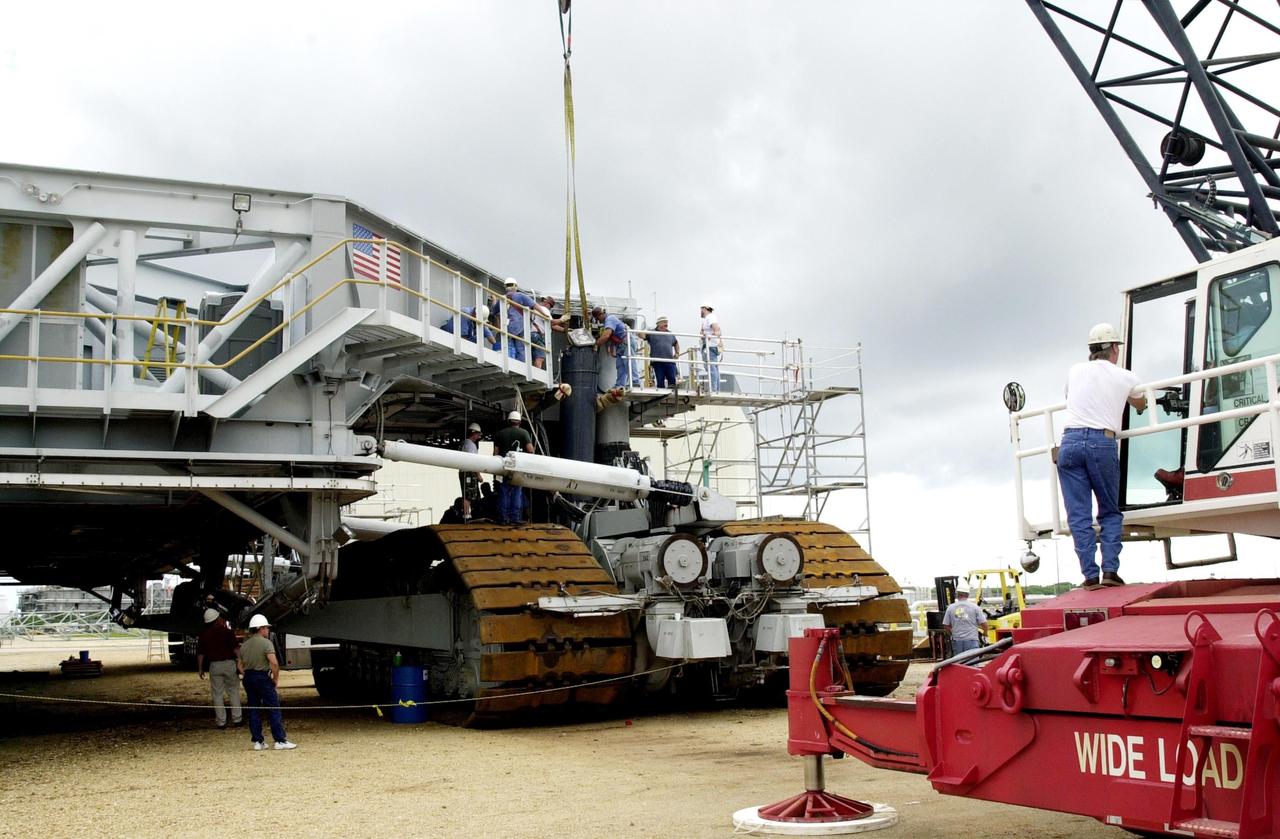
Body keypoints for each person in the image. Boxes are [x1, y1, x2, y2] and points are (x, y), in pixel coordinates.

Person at [1058, 322, 1146, 588]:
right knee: (1109, 511)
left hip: (1069, 443)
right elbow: (1140, 403)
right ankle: (1110, 571)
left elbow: (1071, 396)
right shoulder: (1126, 376)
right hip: (1101, 442)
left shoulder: (1074, 371)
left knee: (1079, 516)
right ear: (1115, 350)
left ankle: (1089, 576)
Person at [238, 614, 296, 751]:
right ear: (260, 629)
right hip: (262, 677)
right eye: (266, 628)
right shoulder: (266, 643)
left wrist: (246, 674)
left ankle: (258, 741)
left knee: (253, 708)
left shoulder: (244, 645)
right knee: (273, 707)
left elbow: (239, 666)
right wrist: (275, 678)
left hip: (249, 677)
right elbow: (274, 663)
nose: (267, 630)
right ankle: (280, 740)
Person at [196, 607, 242, 729]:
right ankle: (237, 719)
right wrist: (241, 662)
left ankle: (221, 722)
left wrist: (200, 668)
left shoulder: (204, 635)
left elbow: (201, 653)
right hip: (229, 664)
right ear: (217, 619)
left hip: (214, 666)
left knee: (217, 694)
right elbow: (236, 649)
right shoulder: (228, 632)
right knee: (233, 691)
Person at [492, 410, 534, 524]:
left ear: (509, 421)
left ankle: (503, 518)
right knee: (516, 492)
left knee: (504, 493)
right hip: (518, 468)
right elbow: (530, 450)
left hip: (503, 468)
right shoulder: (524, 433)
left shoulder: (500, 434)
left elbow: (495, 454)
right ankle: (515, 518)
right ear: (519, 421)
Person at [590, 306, 631, 389]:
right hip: (620, 344)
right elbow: (610, 337)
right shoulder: (607, 322)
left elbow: (606, 335)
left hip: (626, 342)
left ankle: (635, 382)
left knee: (629, 363)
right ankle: (620, 385)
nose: (599, 321)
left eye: (598, 318)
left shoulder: (610, 319)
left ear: (601, 315)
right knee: (620, 365)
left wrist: (595, 344)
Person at [941, 588, 988, 654]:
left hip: (957, 641)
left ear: (957, 594)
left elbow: (946, 625)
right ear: (968, 595)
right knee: (972, 662)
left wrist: (953, 633)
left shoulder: (951, 608)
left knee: (959, 663)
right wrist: (985, 633)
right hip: (972, 640)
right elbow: (984, 624)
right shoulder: (975, 607)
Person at [503, 278, 537, 361]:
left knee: (508, 345)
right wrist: (546, 315)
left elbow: (494, 310)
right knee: (521, 349)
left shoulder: (502, 298)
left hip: (508, 327)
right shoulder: (520, 296)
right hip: (522, 327)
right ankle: (522, 365)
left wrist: (494, 300)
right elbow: (535, 306)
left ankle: (509, 360)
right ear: (516, 286)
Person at [645, 316, 680, 389]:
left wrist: (677, 353)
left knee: (672, 382)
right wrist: (644, 331)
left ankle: (672, 396)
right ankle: (661, 396)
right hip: (657, 362)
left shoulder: (670, 334)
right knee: (660, 382)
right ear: (658, 324)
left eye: (666, 322)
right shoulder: (652, 332)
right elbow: (641, 336)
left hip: (669, 361)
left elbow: (676, 343)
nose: (666, 324)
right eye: (664, 322)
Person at [459, 422, 483, 519]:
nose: (478, 436)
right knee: (468, 495)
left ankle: (466, 514)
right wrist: (478, 475)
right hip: (469, 472)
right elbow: (473, 462)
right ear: (474, 433)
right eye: (478, 434)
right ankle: (467, 515)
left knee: (466, 493)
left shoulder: (463, 443)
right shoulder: (471, 445)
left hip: (462, 471)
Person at [699, 304, 722, 393]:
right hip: (711, 346)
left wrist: (709, 336)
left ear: (705, 309)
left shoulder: (710, 317)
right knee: (714, 368)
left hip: (710, 346)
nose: (700, 311)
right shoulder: (709, 318)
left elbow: (716, 330)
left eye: (701, 309)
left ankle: (714, 389)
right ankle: (716, 389)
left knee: (711, 368)